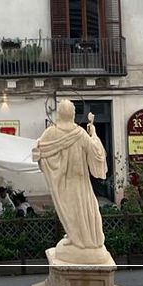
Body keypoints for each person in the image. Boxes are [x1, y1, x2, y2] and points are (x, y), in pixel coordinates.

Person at [31, 100, 109, 264]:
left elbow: (39, 151)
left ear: (58, 114)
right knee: (86, 211)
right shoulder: (80, 133)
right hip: (81, 183)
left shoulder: (51, 132)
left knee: (70, 211)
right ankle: (86, 240)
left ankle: (76, 239)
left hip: (64, 184)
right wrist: (93, 134)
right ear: (73, 114)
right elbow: (97, 153)